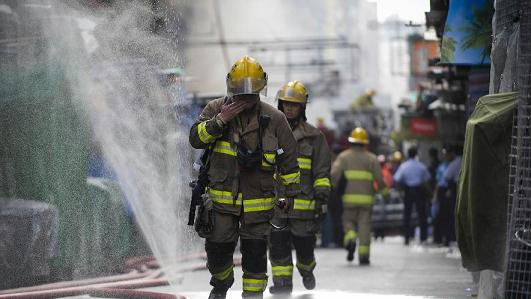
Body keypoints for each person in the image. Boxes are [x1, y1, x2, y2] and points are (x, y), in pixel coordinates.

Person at [189, 56, 300, 299]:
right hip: (221, 204)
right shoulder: (215, 109)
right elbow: (195, 139)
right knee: (217, 253)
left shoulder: (275, 119)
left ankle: (253, 296)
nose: (246, 99)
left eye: (251, 94)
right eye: (240, 94)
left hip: (258, 205)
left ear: (261, 91)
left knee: (255, 258)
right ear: (231, 90)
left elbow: (290, 161)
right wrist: (221, 120)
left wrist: (290, 196)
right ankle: (221, 283)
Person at [268, 81, 331, 294]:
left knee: (304, 249)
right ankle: (282, 283)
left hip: (303, 207)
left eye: (294, 105)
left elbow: (322, 172)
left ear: (302, 107)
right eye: (286, 104)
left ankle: (306, 270)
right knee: (277, 247)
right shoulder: (269, 133)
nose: (289, 108)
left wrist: (321, 199)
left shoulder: (314, 137)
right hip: (277, 205)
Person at [331, 127, 387, 265]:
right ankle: (363, 256)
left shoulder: (343, 157)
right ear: (365, 143)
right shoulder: (372, 159)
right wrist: (385, 194)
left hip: (348, 200)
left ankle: (350, 236)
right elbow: (380, 179)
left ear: (351, 142)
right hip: (366, 201)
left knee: (348, 222)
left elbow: (334, 175)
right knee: (364, 227)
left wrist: (334, 189)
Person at [393, 146, 431, 245]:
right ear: (416, 154)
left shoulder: (404, 166)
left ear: (407, 154)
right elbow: (427, 181)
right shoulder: (421, 166)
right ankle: (423, 237)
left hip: (408, 191)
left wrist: (400, 190)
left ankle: (407, 237)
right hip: (419, 191)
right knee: (422, 214)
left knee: (407, 215)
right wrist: (429, 193)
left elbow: (396, 179)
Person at [443, 145, 462, 246]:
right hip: (459, 189)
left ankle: (451, 238)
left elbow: (446, 176)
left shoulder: (454, 163)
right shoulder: (462, 160)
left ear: (451, 153)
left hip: (455, 189)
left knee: (451, 215)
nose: (445, 157)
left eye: (446, 155)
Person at [432, 147, 449, 245]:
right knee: (439, 215)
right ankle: (439, 238)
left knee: (448, 216)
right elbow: (438, 183)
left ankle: (447, 238)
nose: (444, 156)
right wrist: (435, 196)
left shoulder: (453, 165)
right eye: (443, 154)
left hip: (450, 190)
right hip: (442, 191)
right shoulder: (441, 167)